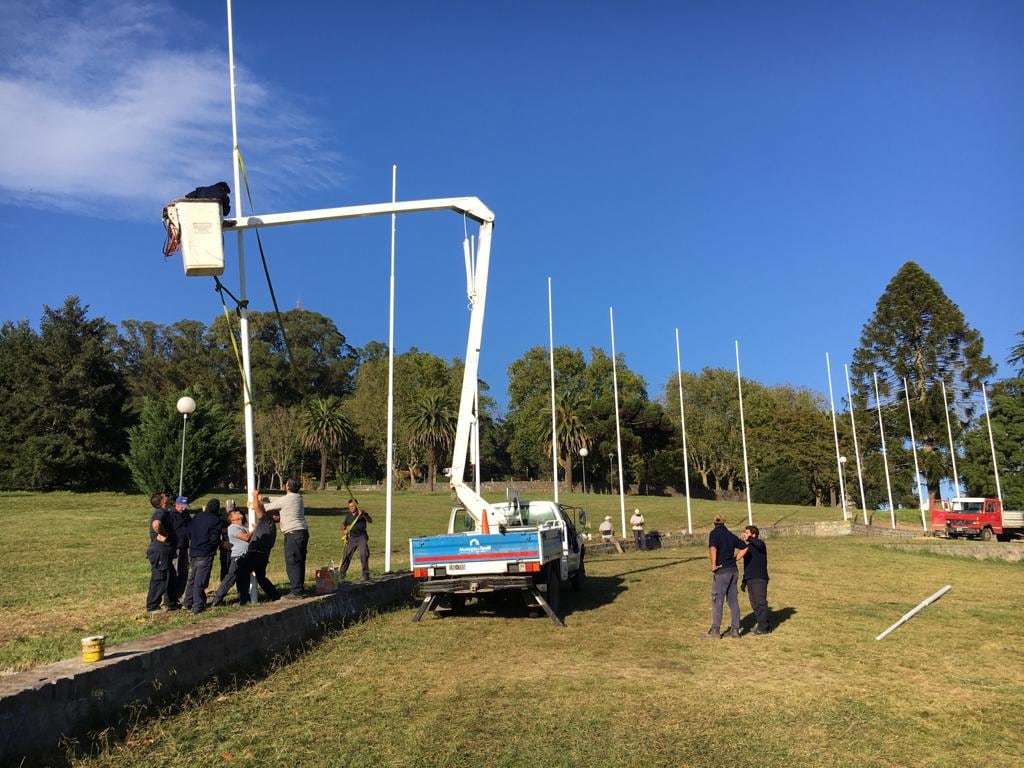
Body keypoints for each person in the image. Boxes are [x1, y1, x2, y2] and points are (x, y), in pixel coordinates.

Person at [259, 478, 308, 598]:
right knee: (299, 561)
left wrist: (256, 502)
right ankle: (299, 589)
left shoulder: (287, 499)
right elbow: (279, 500)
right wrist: (264, 498)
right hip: (302, 533)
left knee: (292, 562)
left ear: (287, 487)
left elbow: (267, 508)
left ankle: (296, 592)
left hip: (293, 534)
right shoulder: (297, 497)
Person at [704, 515, 747, 640]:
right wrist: (735, 559)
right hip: (733, 570)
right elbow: (745, 547)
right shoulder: (731, 535)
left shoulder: (714, 534)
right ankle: (735, 630)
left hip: (722, 571)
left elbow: (713, 548)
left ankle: (715, 631)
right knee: (733, 601)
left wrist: (713, 565)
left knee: (717, 600)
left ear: (714, 523)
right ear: (724, 523)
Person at [184, 498, 227, 614]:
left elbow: (188, 531)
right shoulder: (216, 520)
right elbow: (215, 537)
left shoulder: (198, 516)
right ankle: (197, 605)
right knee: (200, 579)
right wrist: (215, 545)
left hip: (193, 550)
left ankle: (187, 601)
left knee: (193, 577)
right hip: (205, 552)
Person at [240, 502, 281, 602]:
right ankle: (274, 595)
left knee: (243, 573)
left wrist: (255, 496)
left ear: (275, 517)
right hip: (263, 555)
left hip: (255, 553)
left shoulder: (267, 521)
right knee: (261, 577)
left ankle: (244, 600)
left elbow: (258, 509)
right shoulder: (270, 526)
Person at [212, 506, 253, 606]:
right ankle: (217, 600)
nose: (238, 512)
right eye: (235, 513)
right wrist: (254, 530)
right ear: (232, 519)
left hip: (245, 556)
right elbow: (246, 537)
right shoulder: (232, 528)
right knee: (230, 578)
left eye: (238, 512)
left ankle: (244, 599)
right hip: (238, 556)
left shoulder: (244, 527)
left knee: (243, 579)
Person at [145, 492, 175, 613]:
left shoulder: (166, 512)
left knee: (169, 576)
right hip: (159, 551)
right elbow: (156, 524)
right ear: (162, 501)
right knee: (159, 577)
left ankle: (169, 602)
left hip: (165, 551)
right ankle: (152, 606)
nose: (168, 496)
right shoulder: (160, 512)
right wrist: (163, 534)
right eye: (165, 495)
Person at [741, 525, 770, 635]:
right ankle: (761, 623)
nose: (745, 534)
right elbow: (746, 565)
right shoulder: (748, 548)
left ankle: (763, 628)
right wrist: (744, 581)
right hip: (750, 579)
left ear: (754, 534)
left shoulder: (760, 544)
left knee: (761, 602)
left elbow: (758, 544)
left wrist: (748, 538)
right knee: (754, 604)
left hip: (759, 578)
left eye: (747, 533)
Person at [166, 495, 191, 610]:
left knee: (183, 572)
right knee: (174, 573)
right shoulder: (171, 515)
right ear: (176, 504)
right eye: (182, 506)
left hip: (185, 547)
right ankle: (169, 598)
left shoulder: (186, 515)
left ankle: (178, 595)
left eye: (185, 507)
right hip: (175, 547)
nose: (184, 509)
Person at [339, 498, 373, 581]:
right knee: (346, 556)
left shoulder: (362, 514)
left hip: (361, 537)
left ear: (356, 506)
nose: (351, 508)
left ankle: (365, 574)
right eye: (350, 506)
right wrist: (344, 531)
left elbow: (370, 520)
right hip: (352, 538)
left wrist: (365, 514)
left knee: (363, 554)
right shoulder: (348, 516)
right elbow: (344, 524)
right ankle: (341, 574)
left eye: (353, 506)